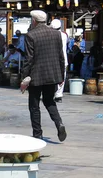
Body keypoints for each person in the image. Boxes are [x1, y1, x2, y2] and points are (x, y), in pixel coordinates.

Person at [21, 10, 66, 142]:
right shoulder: (56, 34)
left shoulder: (31, 35)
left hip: (36, 75)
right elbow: (61, 56)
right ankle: (59, 124)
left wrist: (24, 77)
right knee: (49, 101)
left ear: (34, 21)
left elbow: (29, 59)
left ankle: (37, 133)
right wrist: (62, 75)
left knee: (34, 105)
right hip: (52, 74)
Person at [49, 19, 68, 102]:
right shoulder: (64, 35)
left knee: (51, 76)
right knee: (62, 76)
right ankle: (59, 95)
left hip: (52, 58)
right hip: (63, 59)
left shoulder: (50, 35)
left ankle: (51, 93)